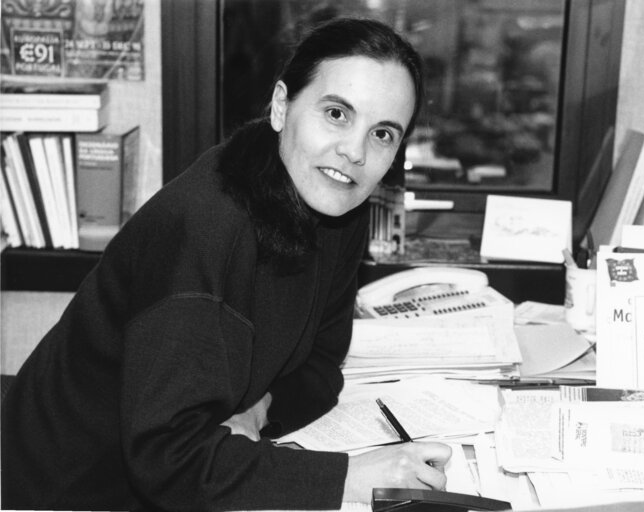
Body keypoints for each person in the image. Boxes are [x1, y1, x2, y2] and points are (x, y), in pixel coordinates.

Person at [1, 17, 452, 511]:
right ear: (282, 106)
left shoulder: (338, 204)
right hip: (73, 489)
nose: (354, 152)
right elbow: (166, 459)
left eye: (383, 133)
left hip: (184, 472)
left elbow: (323, 364)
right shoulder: (206, 227)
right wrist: (351, 477)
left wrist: (261, 409)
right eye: (337, 113)